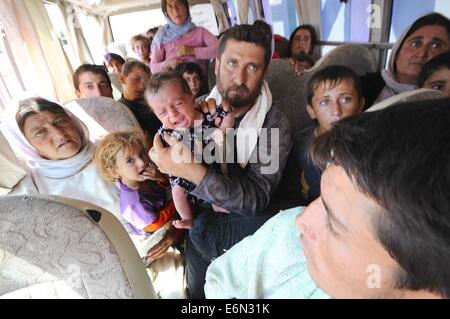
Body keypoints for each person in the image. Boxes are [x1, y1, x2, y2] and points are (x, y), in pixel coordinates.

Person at [205, 98, 450, 299]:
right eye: (322, 199)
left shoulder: (274, 122)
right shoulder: (288, 238)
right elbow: (221, 283)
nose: (302, 219)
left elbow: (255, 197)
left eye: (334, 224)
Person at [149, 23, 293, 298]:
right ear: (215, 66)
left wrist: (193, 172)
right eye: (232, 63)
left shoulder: (273, 124)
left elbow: (255, 199)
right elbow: (169, 164)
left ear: (264, 73)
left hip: (255, 213)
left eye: (252, 67)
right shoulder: (192, 107)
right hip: (203, 213)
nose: (239, 76)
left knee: (202, 231)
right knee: (198, 232)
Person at [0, 97, 186, 298]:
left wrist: (169, 232)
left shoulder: (115, 152)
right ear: (27, 144)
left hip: (152, 253)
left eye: (60, 120)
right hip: (84, 277)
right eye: (40, 132)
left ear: (72, 119)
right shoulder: (31, 189)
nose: (58, 133)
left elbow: (168, 192)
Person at [145, 71, 233, 229]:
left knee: (221, 180)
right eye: (163, 113)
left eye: (178, 104)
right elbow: (156, 152)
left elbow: (228, 113)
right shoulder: (166, 133)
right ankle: (187, 217)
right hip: (182, 174)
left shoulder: (207, 116)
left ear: (192, 99)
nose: (173, 114)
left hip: (210, 168)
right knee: (177, 192)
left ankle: (216, 205)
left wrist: (223, 129)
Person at [94, 130, 178, 259]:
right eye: (129, 161)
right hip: (158, 231)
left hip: (168, 209)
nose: (142, 162)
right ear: (114, 172)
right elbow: (154, 225)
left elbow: (166, 186)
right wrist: (176, 204)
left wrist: (160, 178)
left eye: (142, 154)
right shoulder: (132, 203)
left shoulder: (146, 175)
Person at [296, 65, 365, 204]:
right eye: (325, 102)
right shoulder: (299, 146)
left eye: (346, 99)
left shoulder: (369, 144)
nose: (336, 111)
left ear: (360, 104)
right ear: (311, 111)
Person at [361, 12, 450, 108]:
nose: (422, 53)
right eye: (415, 44)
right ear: (397, 52)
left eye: (436, 46)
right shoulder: (358, 87)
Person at [150, 0, 219, 74]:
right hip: (173, 82)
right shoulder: (161, 36)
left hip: (197, 82)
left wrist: (192, 51)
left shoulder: (200, 32)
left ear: (186, 8)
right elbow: (153, 68)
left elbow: (221, 49)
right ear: (166, 13)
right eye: (170, 7)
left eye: (179, 4)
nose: (176, 10)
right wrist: (168, 64)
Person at [119, 60, 161, 138]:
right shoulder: (119, 109)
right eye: (136, 79)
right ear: (122, 79)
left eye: (146, 81)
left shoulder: (152, 102)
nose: (142, 86)